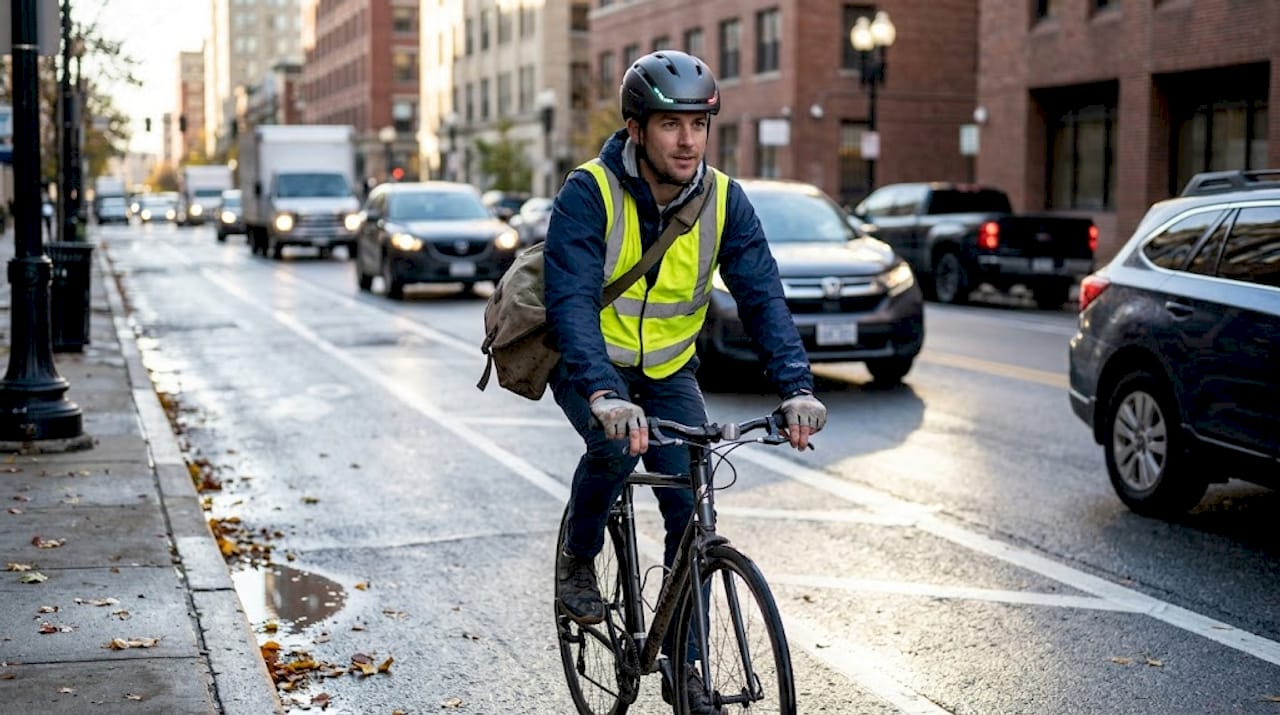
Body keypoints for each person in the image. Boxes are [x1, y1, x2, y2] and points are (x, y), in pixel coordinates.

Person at [543, 50, 826, 711]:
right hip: (592, 365)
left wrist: (796, 387)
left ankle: (684, 663)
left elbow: (762, 296)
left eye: (699, 124)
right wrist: (604, 394)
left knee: (690, 509)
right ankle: (579, 556)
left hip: (669, 368)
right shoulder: (590, 191)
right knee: (614, 447)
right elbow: (572, 303)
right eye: (671, 124)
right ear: (636, 129)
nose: (688, 140)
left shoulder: (724, 199)